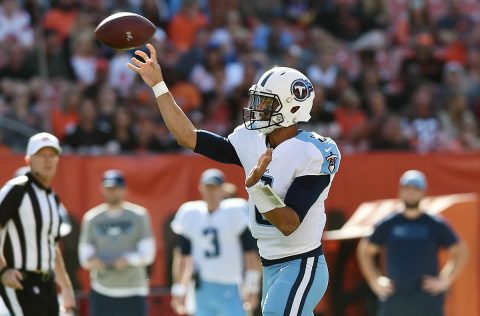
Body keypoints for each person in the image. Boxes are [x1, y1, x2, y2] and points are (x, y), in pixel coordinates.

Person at [128, 44, 341, 315]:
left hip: (302, 263)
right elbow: (187, 136)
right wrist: (159, 86)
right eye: (258, 100)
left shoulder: (312, 151)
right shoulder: (250, 140)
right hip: (271, 264)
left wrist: (256, 187)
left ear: (291, 107)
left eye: (266, 103)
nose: (257, 108)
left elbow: (289, 223)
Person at [357, 170, 468, 316]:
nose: (411, 193)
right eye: (407, 189)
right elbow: (365, 251)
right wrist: (375, 281)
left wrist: (445, 281)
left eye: (416, 189)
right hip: (394, 301)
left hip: (427, 301)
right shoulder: (389, 223)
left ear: (423, 192)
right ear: (400, 191)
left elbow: (460, 251)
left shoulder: (434, 224)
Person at [0, 132, 76, 315]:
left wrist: (65, 287)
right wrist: (3, 271)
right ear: (28, 160)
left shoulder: (52, 198)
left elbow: (52, 244)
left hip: (47, 284)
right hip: (19, 282)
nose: (47, 160)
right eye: (41, 155)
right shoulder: (17, 189)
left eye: (52, 155)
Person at [170, 168, 261, 316]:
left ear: (223, 190)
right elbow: (183, 256)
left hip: (231, 285)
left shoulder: (235, 211)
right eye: (208, 187)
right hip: (202, 287)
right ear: (201, 188)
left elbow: (251, 254)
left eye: (215, 188)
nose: (211, 192)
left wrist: (252, 288)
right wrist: (179, 290)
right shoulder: (190, 213)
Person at [78, 169, 156, 316]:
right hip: (102, 289)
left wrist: (128, 260)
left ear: (124, 190)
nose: (112, 192)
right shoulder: (92, 218)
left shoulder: (139, 215)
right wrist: (93, 261)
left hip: (133, 289)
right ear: (102, 190)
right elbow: (84, 257)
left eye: (116, 188)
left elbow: (148, 254)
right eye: (108, 188)